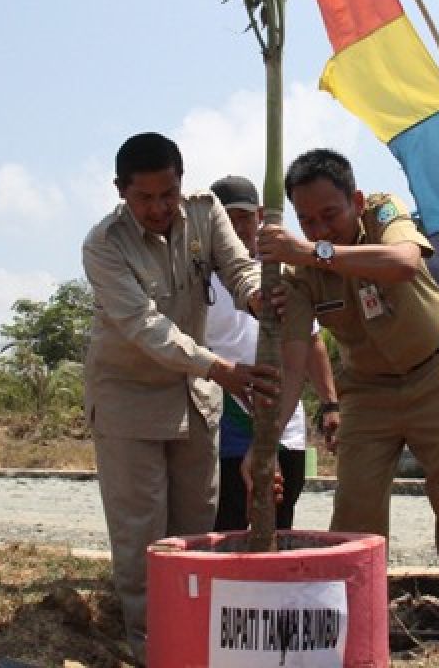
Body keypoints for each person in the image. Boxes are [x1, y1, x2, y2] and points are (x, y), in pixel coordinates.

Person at [255, 148, 439, 668]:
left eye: (330, 215)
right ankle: (355, 651)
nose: (320, 227)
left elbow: (405, 264)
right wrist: (269, 445)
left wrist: (314, 250)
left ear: (356, 201)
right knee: (355, 527)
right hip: (367, 393)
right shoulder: (298, 275)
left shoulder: (383, 213)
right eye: (307, 220)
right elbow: (295, 366)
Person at [81, 133, 277, 663]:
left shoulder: (205, 212)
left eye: (168, 195)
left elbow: (239, 267)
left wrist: (257, 294)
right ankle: (154, 648)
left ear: (181, 184)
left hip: (194, 399)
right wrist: (219, 367)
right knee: (143, 537)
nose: (159, 209)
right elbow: (145, 327)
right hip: (129, 402)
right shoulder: (103, 245)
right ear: (121, 192)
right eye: (144, 199)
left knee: (195, 532)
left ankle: (196, 640)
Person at [206, 175, 339, 531]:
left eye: (244, 219)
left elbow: (313, 343)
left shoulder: (284, 275)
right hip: (223, 420)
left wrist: (329, 404)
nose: (237, 229)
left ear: (261, 217)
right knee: (228, 522)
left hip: (283, 424)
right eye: (227, 220)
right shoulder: (198, 282)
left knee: (279, 524)